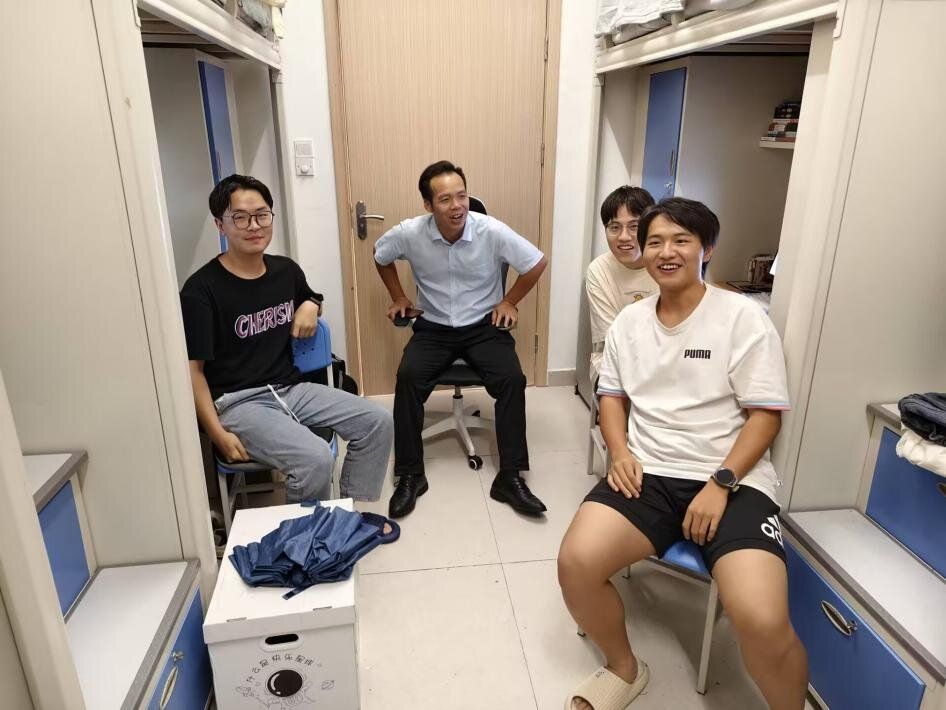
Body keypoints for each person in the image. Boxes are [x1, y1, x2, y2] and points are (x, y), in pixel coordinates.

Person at [558, 198, 808, 710]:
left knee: (762, 620)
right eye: (655, 242)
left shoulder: (741, 318)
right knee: (576, 564)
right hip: (648, 473)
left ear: (706, 249)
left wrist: (721, 483)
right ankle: (625, 669)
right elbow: (612, 397)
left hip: (732, 480)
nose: (665, 252)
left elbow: (766, 416)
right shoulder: (630, 323)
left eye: (681, 241)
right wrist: (618, 451)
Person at [181, 174, 393, 505]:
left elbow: (310, 295)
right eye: (240, 217)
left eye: (262, 215)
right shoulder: (201, 290)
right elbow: (193, 372)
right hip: (238, 403)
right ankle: (307, 532)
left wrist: (311, 304)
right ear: (220, 225)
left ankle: (347, 515)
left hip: (289, 389)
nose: (254, 225)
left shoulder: (285, 271)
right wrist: (216, 434)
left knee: (377, 421)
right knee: (315, 459)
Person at [374, 160, 548, 519]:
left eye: (462, 196)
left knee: (512, 380)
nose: (457, 206)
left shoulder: (490, 230)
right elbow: (381, 256)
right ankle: (410, 474)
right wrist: (399, 296)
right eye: (445, 199)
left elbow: (536, 262)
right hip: (433, 327)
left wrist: (509, 301)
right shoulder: (410, 233)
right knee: (408, 379)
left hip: (483, 326)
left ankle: (510, 477)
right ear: (428, 205)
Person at [585, 186, 658, 384]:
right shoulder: (599, 270)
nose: (624, 236)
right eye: (614, 227)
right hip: (612, 362)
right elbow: (612, 340)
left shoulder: (665, 264)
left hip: (664, 361)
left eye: (634, 226)